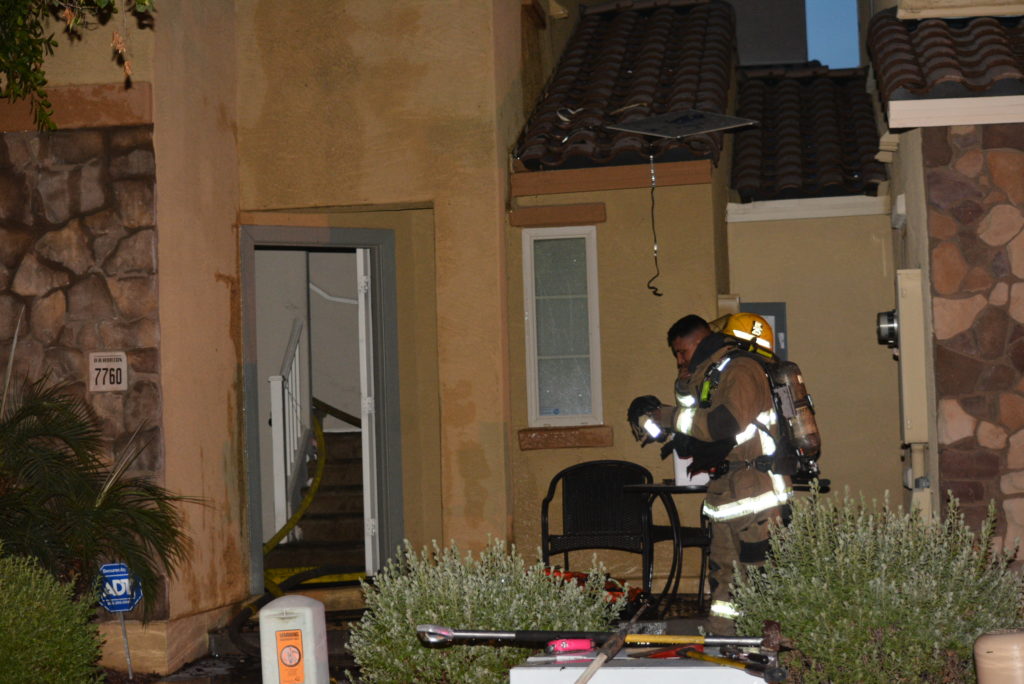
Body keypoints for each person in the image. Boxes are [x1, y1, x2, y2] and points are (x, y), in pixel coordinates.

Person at [628, 313, 791, 635]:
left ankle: (770, 649)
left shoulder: (742, 369)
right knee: (723, 578)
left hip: (757, 493)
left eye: (682, 352)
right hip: (726, 490)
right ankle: (723, 640)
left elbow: (723, 424)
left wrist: (667, 415)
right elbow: (694, 421)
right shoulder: (713, 375)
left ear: (700, 341)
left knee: (761, 578)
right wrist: (680, 386)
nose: (679, 359)